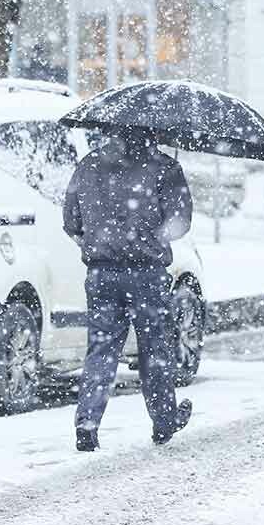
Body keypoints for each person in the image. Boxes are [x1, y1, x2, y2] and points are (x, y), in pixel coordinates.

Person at [63, 127, 194, 452]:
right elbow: (180, 223)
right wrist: (153, 234)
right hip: (147, 275)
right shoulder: (164, 167)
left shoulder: (89, 164)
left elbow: (70, 220)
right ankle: (164, 422)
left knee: (101, 351)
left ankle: (87, 423)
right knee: (154, 350)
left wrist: (98, 241)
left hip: (101, 273)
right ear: (152, 130)